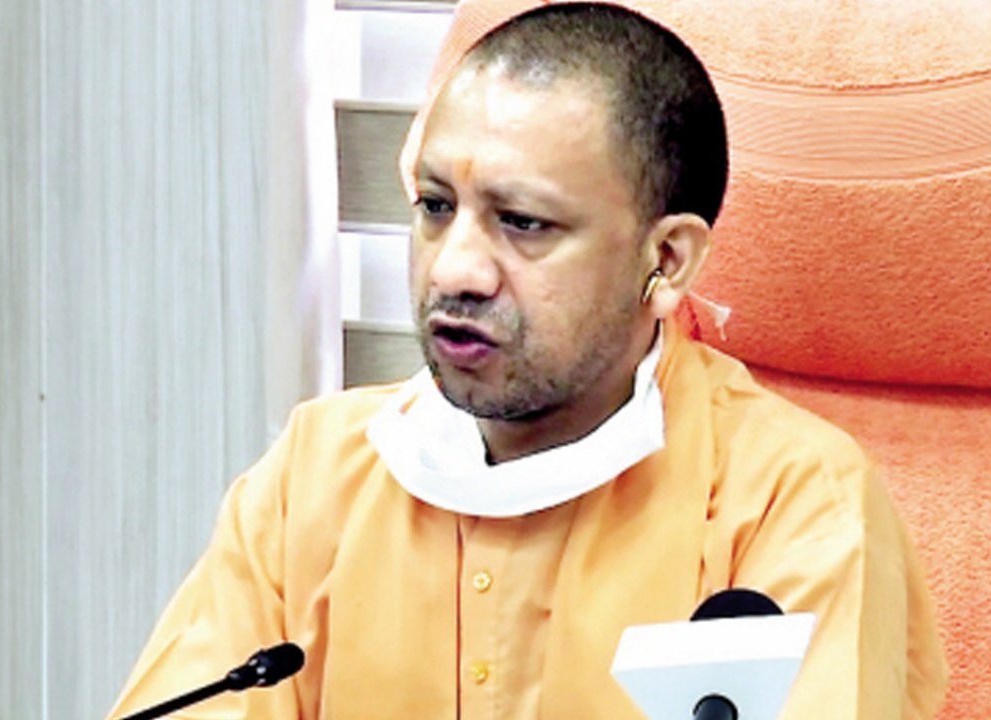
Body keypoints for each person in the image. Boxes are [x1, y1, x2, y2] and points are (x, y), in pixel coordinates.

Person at [105, 3, 948, 719]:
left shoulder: (793, 502)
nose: (454, 271)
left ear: (667, 262)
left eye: (523, 223)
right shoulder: (314, 475)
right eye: (436, 207)